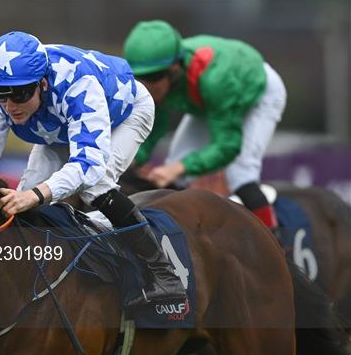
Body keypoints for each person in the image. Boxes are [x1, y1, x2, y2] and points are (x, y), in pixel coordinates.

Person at [0, 31, 186, 306]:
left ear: (43, 83)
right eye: (1, 94)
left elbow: (89, 165)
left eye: (21, 94)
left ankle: (164, 273)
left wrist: (37, 194)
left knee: (95, 187)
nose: (10, 106)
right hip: (57, 126)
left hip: (125, 114)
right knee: (24, 198)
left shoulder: (79, 84)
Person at [123, 20, 287, 230]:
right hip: (208, 100)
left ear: (175, 68)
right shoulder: (164, 78)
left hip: (257, 92)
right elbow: (153, 126)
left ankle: (276, 247)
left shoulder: (216, 81)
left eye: (154, 77)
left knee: (240, 173)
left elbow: (227, 146)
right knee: (176, 164)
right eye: (140, 77)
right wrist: (134, 158)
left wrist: (178, 168)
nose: (146, 86)